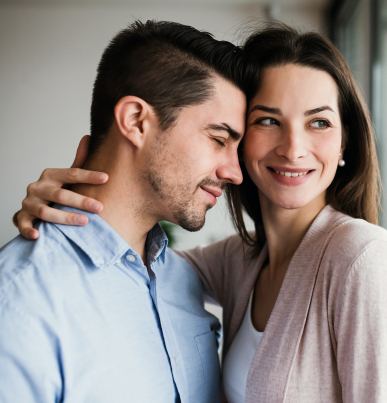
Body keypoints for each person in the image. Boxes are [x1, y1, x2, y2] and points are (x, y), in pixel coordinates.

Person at [15, 25, 387, 402]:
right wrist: (61, 204)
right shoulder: (237, 263)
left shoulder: (364, 258)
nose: (293, 148)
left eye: (319, 123)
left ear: (345, 144)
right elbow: (122, 257)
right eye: (267, 120)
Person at [1, 20, 246, 402]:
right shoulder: (21, 299)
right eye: (218, 139)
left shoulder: (184, 279)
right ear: (135, 121)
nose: (234, 172)